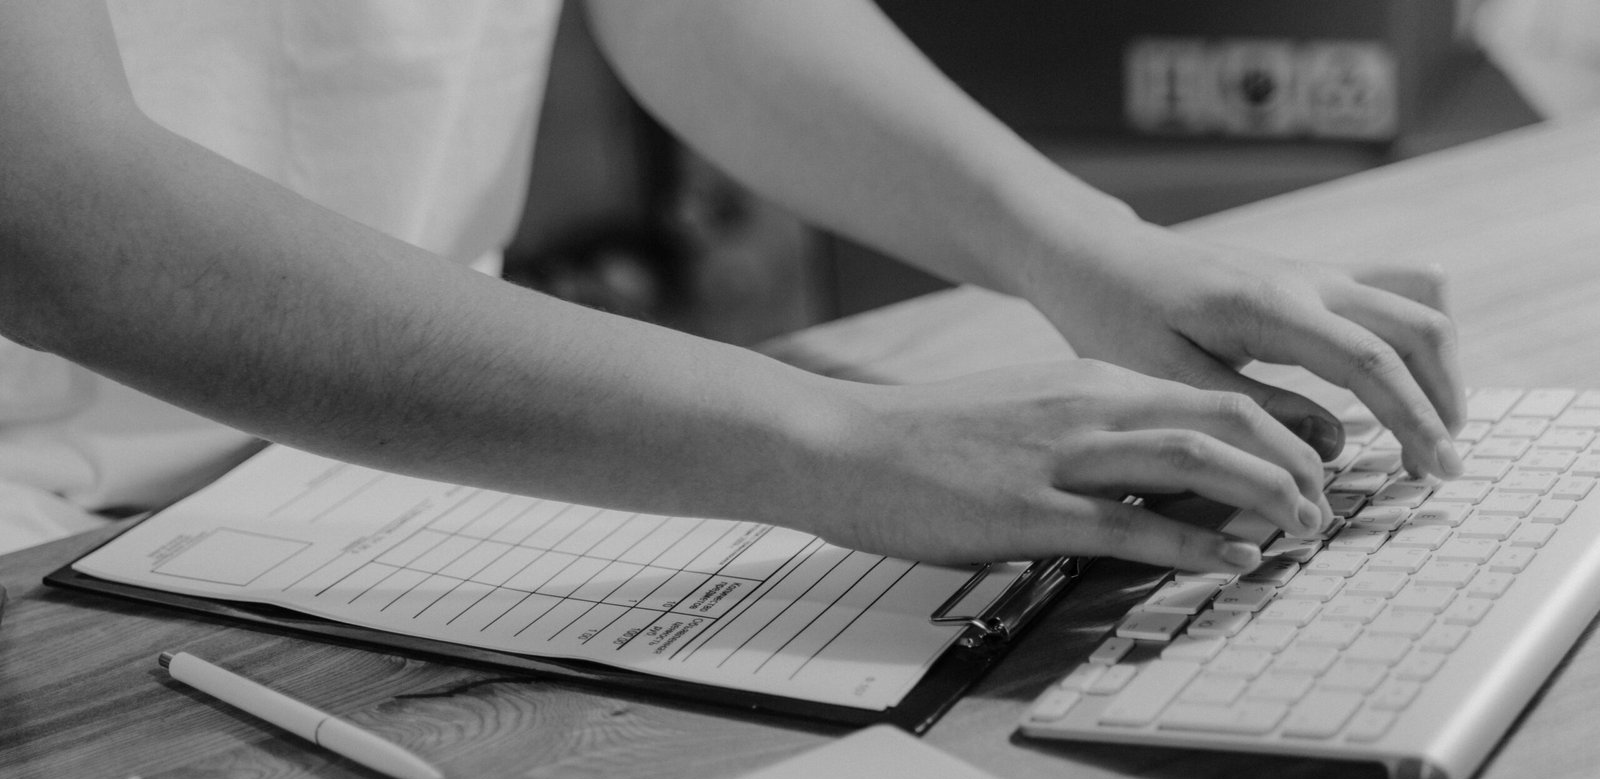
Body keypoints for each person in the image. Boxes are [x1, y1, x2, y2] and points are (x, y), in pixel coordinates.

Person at [0, 0, 1463, 574]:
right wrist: (828, 441)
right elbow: (56, 215)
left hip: (437, 459)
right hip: (37, 523)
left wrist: (1083, 246)